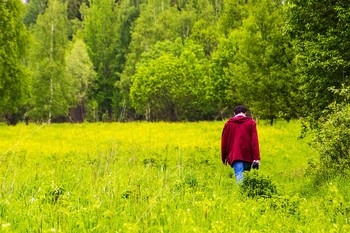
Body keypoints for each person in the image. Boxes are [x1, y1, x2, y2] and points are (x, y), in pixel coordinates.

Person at [221, 105, 260, 183]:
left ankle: (240, 193)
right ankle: (246, 193)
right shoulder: (251, 123)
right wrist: (256, 158)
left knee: (239, 174)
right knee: (246, 175)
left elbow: (224, 142)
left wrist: (224, 157)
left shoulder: (228, 124)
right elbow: (254, 141)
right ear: (245, 113)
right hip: (248, 155)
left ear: (234, 113)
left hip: (235, 154)